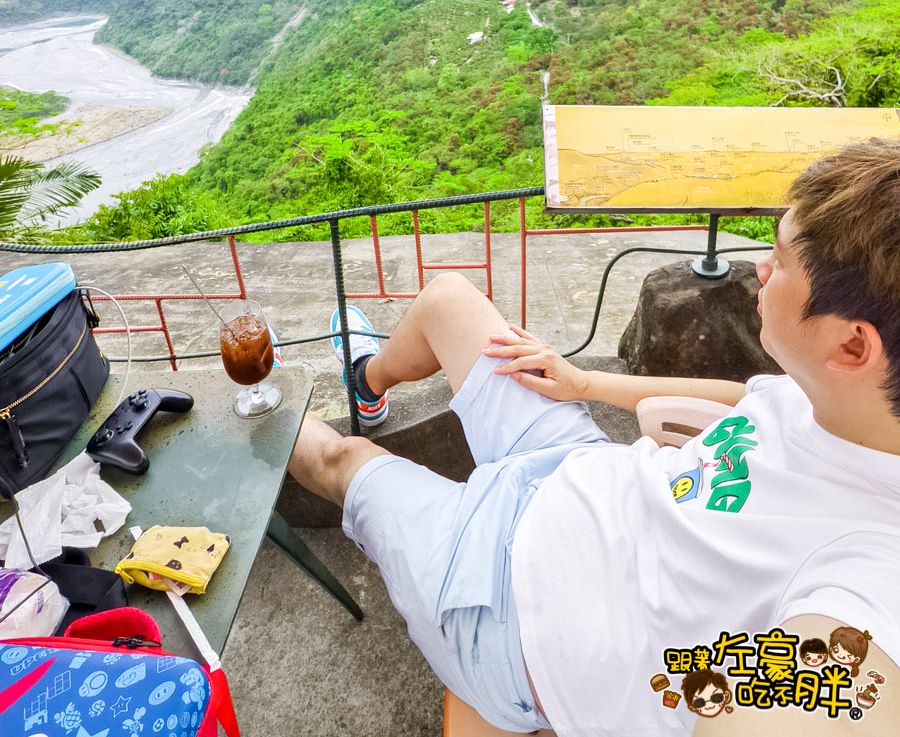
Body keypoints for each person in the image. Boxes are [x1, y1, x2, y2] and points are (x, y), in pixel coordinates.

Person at [290, 139, 900, 735]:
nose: (760, 268)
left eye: (781, 260)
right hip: (575, 470)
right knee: (448, 300)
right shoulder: (843, 399)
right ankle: (366, 383)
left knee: (345, 459)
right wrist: (584, 382)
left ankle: (244, 408)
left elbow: (841, 693)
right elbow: (753, 400)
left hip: (508, 610)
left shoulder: (868, 574)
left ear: (852, 344)